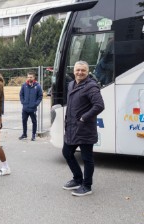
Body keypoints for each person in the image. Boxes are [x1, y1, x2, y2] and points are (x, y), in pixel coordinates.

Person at [62, 61, 104, 196]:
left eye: (83, 70)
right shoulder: (71, 84)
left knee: (87, 158)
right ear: (74, 70)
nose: (80, 72)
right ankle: (78, 179)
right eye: (78, 70)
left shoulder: (91, 86)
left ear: (88, 72)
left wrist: (84, 118)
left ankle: (87, 186)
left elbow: (99, 105)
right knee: (67, 153)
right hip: (71, 128)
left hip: (85, 128)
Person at [19, 71, 43, 141]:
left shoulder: (37, 86)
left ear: (34, 77)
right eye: (28, 77)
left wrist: (36, 104)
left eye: (31, 77)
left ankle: (33, 135)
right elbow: (21, 94)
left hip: (33, 108)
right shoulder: (24, 85)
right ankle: (24, 134)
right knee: (24, 121)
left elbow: (40, 96)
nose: (29, 78)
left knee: (34, 122)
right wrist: (23, 102)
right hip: (25, 108)